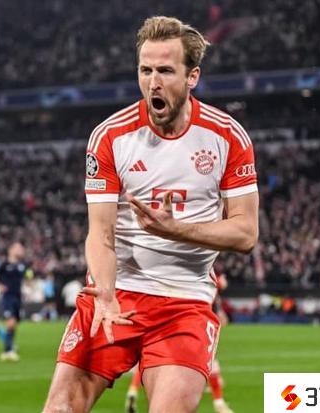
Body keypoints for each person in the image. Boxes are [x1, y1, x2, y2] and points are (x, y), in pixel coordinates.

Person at [43, 16, 258, 413]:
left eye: (165, 71)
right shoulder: (110, 136)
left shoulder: (227, 136)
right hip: (116, 293)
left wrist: (176, 229)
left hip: (184, 303)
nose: (153, 82)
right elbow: (100, 234)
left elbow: (246, 233)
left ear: (192, 77)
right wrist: (105, 292)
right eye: (145, 70)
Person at [124, 269, 235, 413]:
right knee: (209, 362)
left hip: (163, 316)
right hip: (193, 320)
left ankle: (133, 390)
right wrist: (220, 284)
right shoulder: (201, 275)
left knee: (148, 360)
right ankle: (219, 402)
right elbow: (216, 284)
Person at [0, 241, 33, 362]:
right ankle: (7, 351)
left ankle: (10, 346)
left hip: (18, 297)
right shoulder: (4, 265)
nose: (20, 250)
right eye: (18, 248)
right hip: (8, 297)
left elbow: (28, 277)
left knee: (14, 325)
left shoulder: (22, 265)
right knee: (10, 323)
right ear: (10, 250)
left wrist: (29, 280)